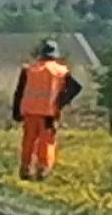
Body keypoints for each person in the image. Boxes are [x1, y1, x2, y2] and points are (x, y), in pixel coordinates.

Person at [11, 39, 83, 181]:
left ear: (41, 53)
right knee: (46, 143)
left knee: (28, 141)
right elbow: (75, 88)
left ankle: (25, 169)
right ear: (56, 55)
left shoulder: (29, 69)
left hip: (30, 112)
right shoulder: (61, 71)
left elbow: (19, 91)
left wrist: (16, 112)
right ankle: (42, 170)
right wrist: (61, 102)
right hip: (48, 114)